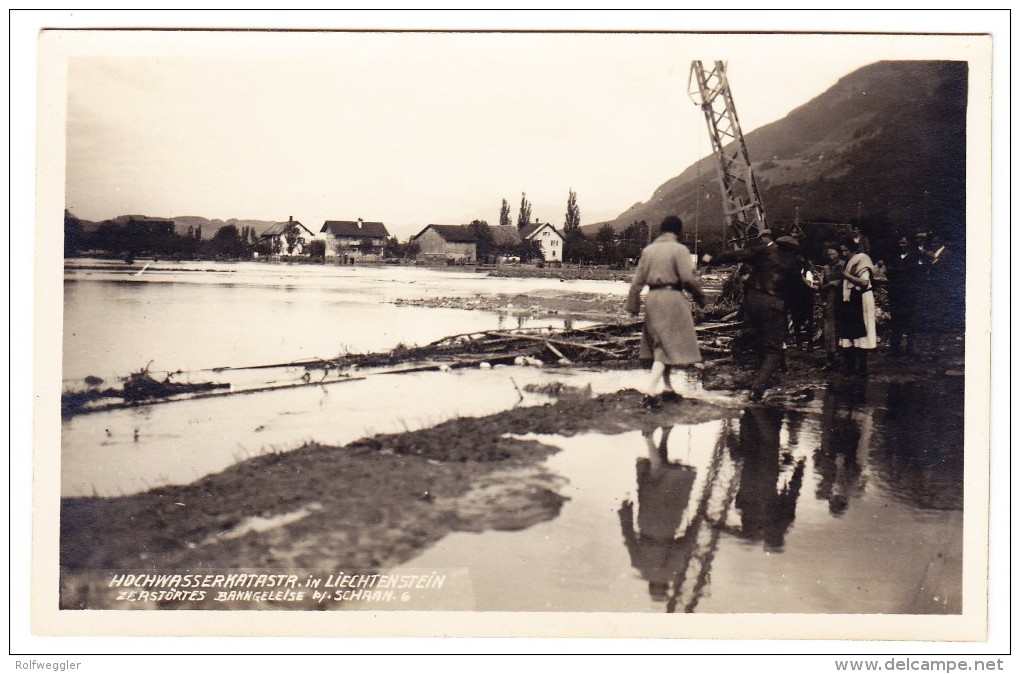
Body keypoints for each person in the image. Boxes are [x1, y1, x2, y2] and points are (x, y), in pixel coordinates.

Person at [703, 233, 804, 402]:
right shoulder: (794, 265)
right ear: (793, 250)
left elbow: (737, 255)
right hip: (773, 303)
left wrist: (710, 259)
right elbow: (798, 293)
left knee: (754, 336)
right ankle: (757, 389)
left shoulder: (765, 252)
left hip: (752, 299)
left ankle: (750, 367)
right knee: (774, 350)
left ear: (778, 244)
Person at [626, 215, 706, 407]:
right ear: (677, 231)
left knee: (661, 343)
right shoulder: (679, 250)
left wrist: (633, 305)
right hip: (672, 299)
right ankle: (651, 391)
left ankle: (668, 388)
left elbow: (637, 282)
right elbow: (687, 278)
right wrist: (700, 296)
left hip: (652, 298)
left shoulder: (648, 250)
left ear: (661, 230)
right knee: (665, 345)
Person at [836, 243, 877, 374]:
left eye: (846, 250)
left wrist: (846, 276)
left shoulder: (861, 260)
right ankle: (850, 365)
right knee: (850, 330)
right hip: (851, 299)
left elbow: (864, 283)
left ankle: (862, 366)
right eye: (842, 251)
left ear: (854, 250)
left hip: (862, 298)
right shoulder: (848, 263)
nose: (844, 254)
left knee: (862, 329)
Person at [885, 235, 919, 357]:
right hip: (896, 295)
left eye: (904, 243)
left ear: (908, 243)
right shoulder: (895, 257)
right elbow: (890, 273)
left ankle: (910, 350)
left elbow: (914, 275)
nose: (901, 245)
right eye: (900, 243)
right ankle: (895, 349)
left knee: (910, 322)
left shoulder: (914, 257)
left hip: (908, 295)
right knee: (896, 322)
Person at [818, 245, 845, 371]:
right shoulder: (826, 268)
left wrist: (840, 283)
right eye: (829, 254)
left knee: (844, 328)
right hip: (830, 300)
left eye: (834, 254)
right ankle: (830, 360)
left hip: (844, 300)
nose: (831, 257)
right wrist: (830, 284)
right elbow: (821, 287)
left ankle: (846, 359)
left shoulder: (844, 265)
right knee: (830, 329)